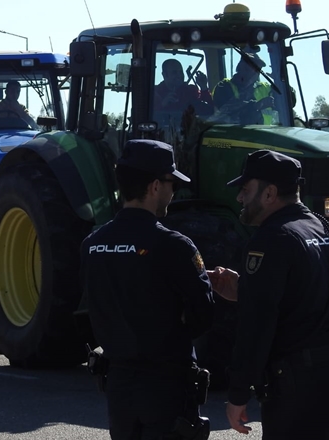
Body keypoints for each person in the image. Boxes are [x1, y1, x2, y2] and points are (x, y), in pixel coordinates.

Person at [208, 150, 329, 439]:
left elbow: (256, 323)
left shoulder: (273, 237)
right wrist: (246, 289)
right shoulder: (326, 229)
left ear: (269, 193)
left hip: (306, 386)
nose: (240, 198)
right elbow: (313, 296)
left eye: (245, 190)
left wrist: (238, 392)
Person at [80, 139, 215, 439]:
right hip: (165, 385)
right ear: (155, 186)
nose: (173, 191)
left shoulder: (92, 245)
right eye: (171, 183)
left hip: (118, 384)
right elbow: (203, 315)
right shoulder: (174, 245)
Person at [212, 53, 276, 124]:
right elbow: (225, 110)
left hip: (265, 133)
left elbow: (287, 100)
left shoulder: (265, 87)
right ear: (241, 67)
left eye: (259, 69)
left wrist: (279, 81)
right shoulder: (224, 86)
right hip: (237, 134)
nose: (257, 72)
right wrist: (256, 106)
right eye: (254, 67)